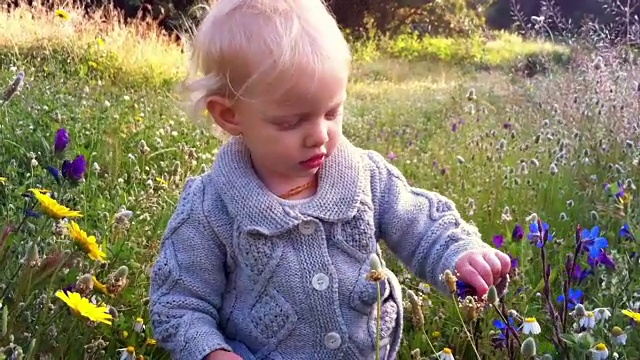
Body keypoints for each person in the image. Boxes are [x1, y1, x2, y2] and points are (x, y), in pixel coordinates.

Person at [148, 0, 511, 359]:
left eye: (332, 111)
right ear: (229, 116)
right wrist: (211, 352)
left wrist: (459, 255)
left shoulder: (365, 176)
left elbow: (423, 228)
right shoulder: (211, 207)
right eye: (291, 122)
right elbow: (179, 304)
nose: (319, 135)